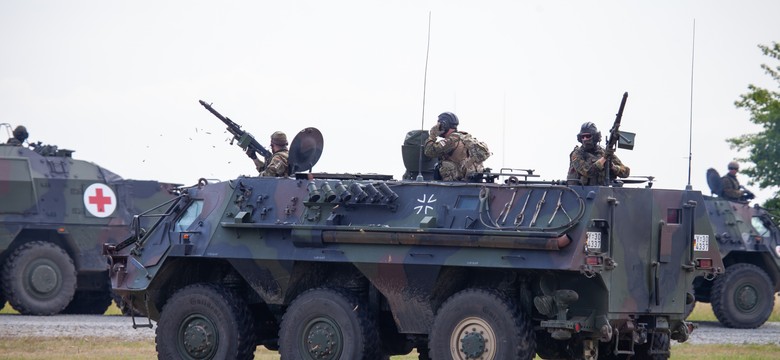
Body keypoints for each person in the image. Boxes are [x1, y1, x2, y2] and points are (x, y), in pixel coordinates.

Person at [423, 112, 486, 181]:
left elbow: (429, 151)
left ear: (444, 125)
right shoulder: (466, 138)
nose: (437, 127)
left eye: (439, 125)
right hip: (470, 181)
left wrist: (432, 135)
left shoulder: (451, 141)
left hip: (455, 184)